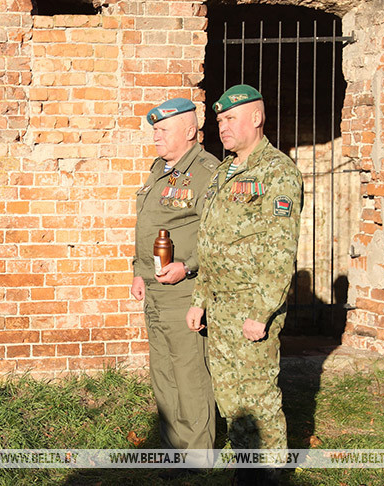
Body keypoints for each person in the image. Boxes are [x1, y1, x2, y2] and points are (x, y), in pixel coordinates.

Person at [186, 84, 303, 485]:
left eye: (230, 118)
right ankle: (246, 472)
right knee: (231, 399)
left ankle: (271, 475)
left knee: (259, 398)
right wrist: (199, 299)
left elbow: (280, 249)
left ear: (256, 118)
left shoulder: (277, 171)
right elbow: (209, 239)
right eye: (219, 121)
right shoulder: (225, 170)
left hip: (252, 307)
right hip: (218, 305)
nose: (223, 127)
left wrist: (262, 312)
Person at [132, 98, 218, 473]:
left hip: (185, 289)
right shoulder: (160, 169)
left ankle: (198, 455)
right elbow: (148, 222)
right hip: (154, 287)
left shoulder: (207, 171)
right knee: (163, 372)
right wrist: (138, 270)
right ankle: (173, 450)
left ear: (189, 131)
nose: (156, 137)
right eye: (154, 130)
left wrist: (189, 265)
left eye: (163, 130)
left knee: (190, 372)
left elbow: (218, 235)